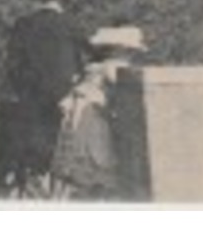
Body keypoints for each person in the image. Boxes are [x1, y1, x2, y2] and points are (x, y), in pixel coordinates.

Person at [0, 0, 90, 199]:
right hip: (59, 99)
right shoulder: (71, 26)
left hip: (26, 97)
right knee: (52, 152)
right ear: (65, 1)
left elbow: (11, 64)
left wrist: (23, 85)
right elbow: (85, 62)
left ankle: (19, 186)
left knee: (23, 148)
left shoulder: (23, 24)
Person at [51, 27, 145, 200]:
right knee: (98, 159)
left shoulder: (93, 69)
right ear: (121, 50)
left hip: (84, 114)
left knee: (84, 163)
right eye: (129, 51)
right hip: (95, 117)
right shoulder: (114, 68)